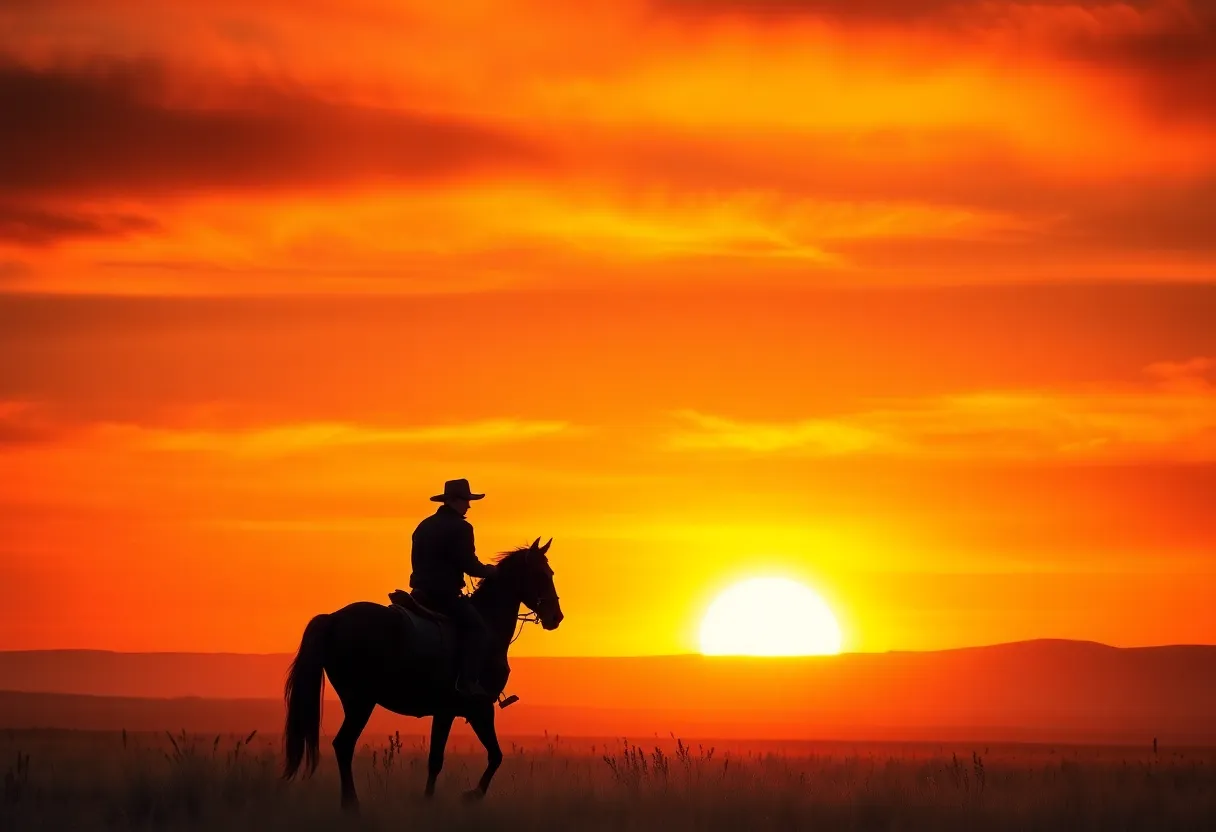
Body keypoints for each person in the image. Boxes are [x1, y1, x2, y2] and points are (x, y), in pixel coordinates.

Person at [409, 478, 497, 697]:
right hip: (444, 594)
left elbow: (416, 560)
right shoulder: (461, 528)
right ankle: (468, 682)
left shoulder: (424, 525)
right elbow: (469, 564)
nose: (468, 506)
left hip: (419, 593)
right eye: (466, 500)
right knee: (478, 629)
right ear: (456, 501)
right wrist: (491, 571)